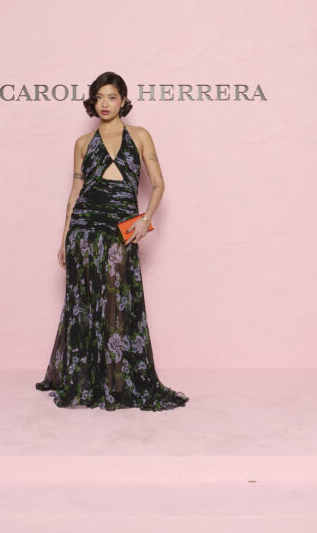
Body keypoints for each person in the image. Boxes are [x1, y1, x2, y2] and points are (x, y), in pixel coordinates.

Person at [35, 72, 189, 411]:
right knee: (83, 302)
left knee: (118, 300)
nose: (105, 104)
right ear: (93, 102)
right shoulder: (82, 143)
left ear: (123, 100)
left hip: (120, 225)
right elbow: (75, 192)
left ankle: (116, 382)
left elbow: (159, 184)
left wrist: (146, 220)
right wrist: (64, 239)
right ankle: (85, 380)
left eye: (112, 97)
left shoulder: (140, 135)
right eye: (99, 97)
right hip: (84, 227)